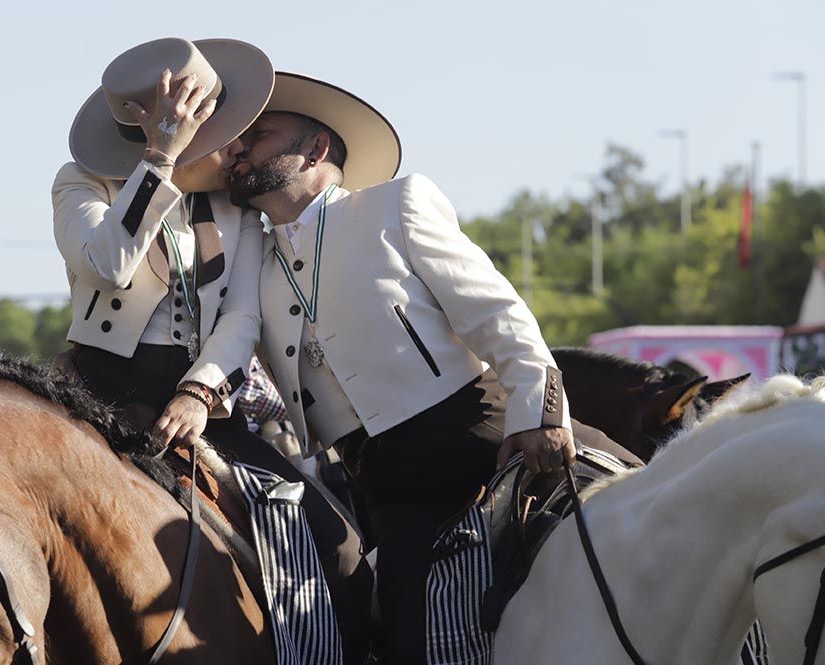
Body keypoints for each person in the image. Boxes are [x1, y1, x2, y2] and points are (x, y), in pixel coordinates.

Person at [229, 72, 642, 664]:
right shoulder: (254, 262)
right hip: (386, 483)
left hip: (484, 435)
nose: (241, 149)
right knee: (411, 645)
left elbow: (498, 313)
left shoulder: (395, 204)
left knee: (655, 522)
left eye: (261, 134)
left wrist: (542, 411)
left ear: (315, 150)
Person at [53, 41, 371, 663]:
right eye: (216, 131)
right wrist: (159, 160)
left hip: (198, 399)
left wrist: (200, 392)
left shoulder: (236, 205)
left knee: (340, 547)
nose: (234, 146)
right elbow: (111, 263)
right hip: (94, 392)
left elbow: (242, 315)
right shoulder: (80, 182)